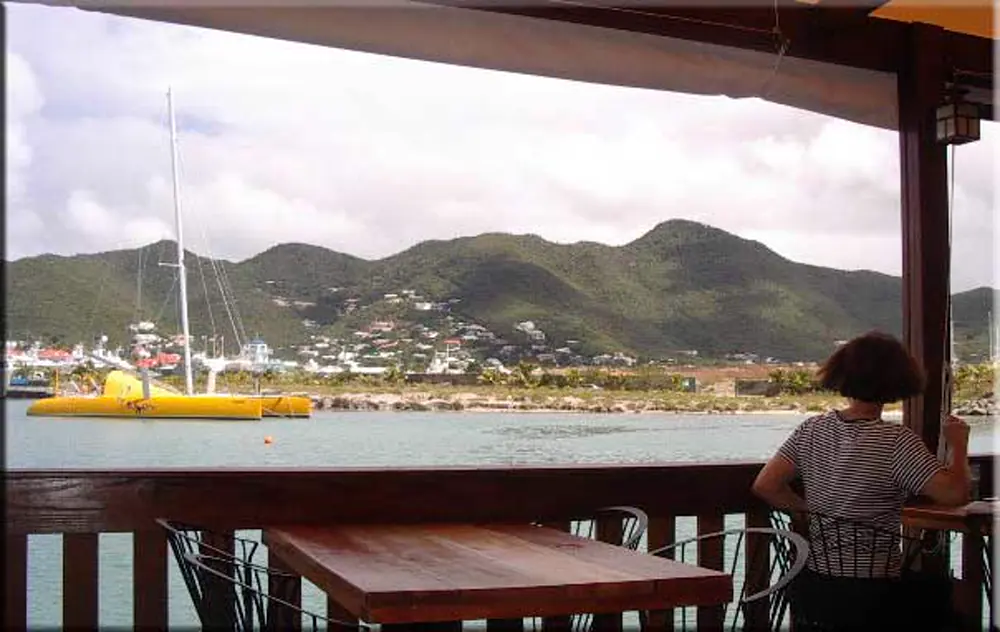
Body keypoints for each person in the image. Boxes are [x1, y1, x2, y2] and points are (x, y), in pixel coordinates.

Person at [752, 330, 971, 629]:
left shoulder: (811, 429)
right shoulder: (896, 441)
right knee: (949, 599)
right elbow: (955, 494)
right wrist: (959, 445)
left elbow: (765, 485)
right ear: (899, 380)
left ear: (841, 375)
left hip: (814, 587)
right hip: (876, 592)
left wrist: (807, 513)